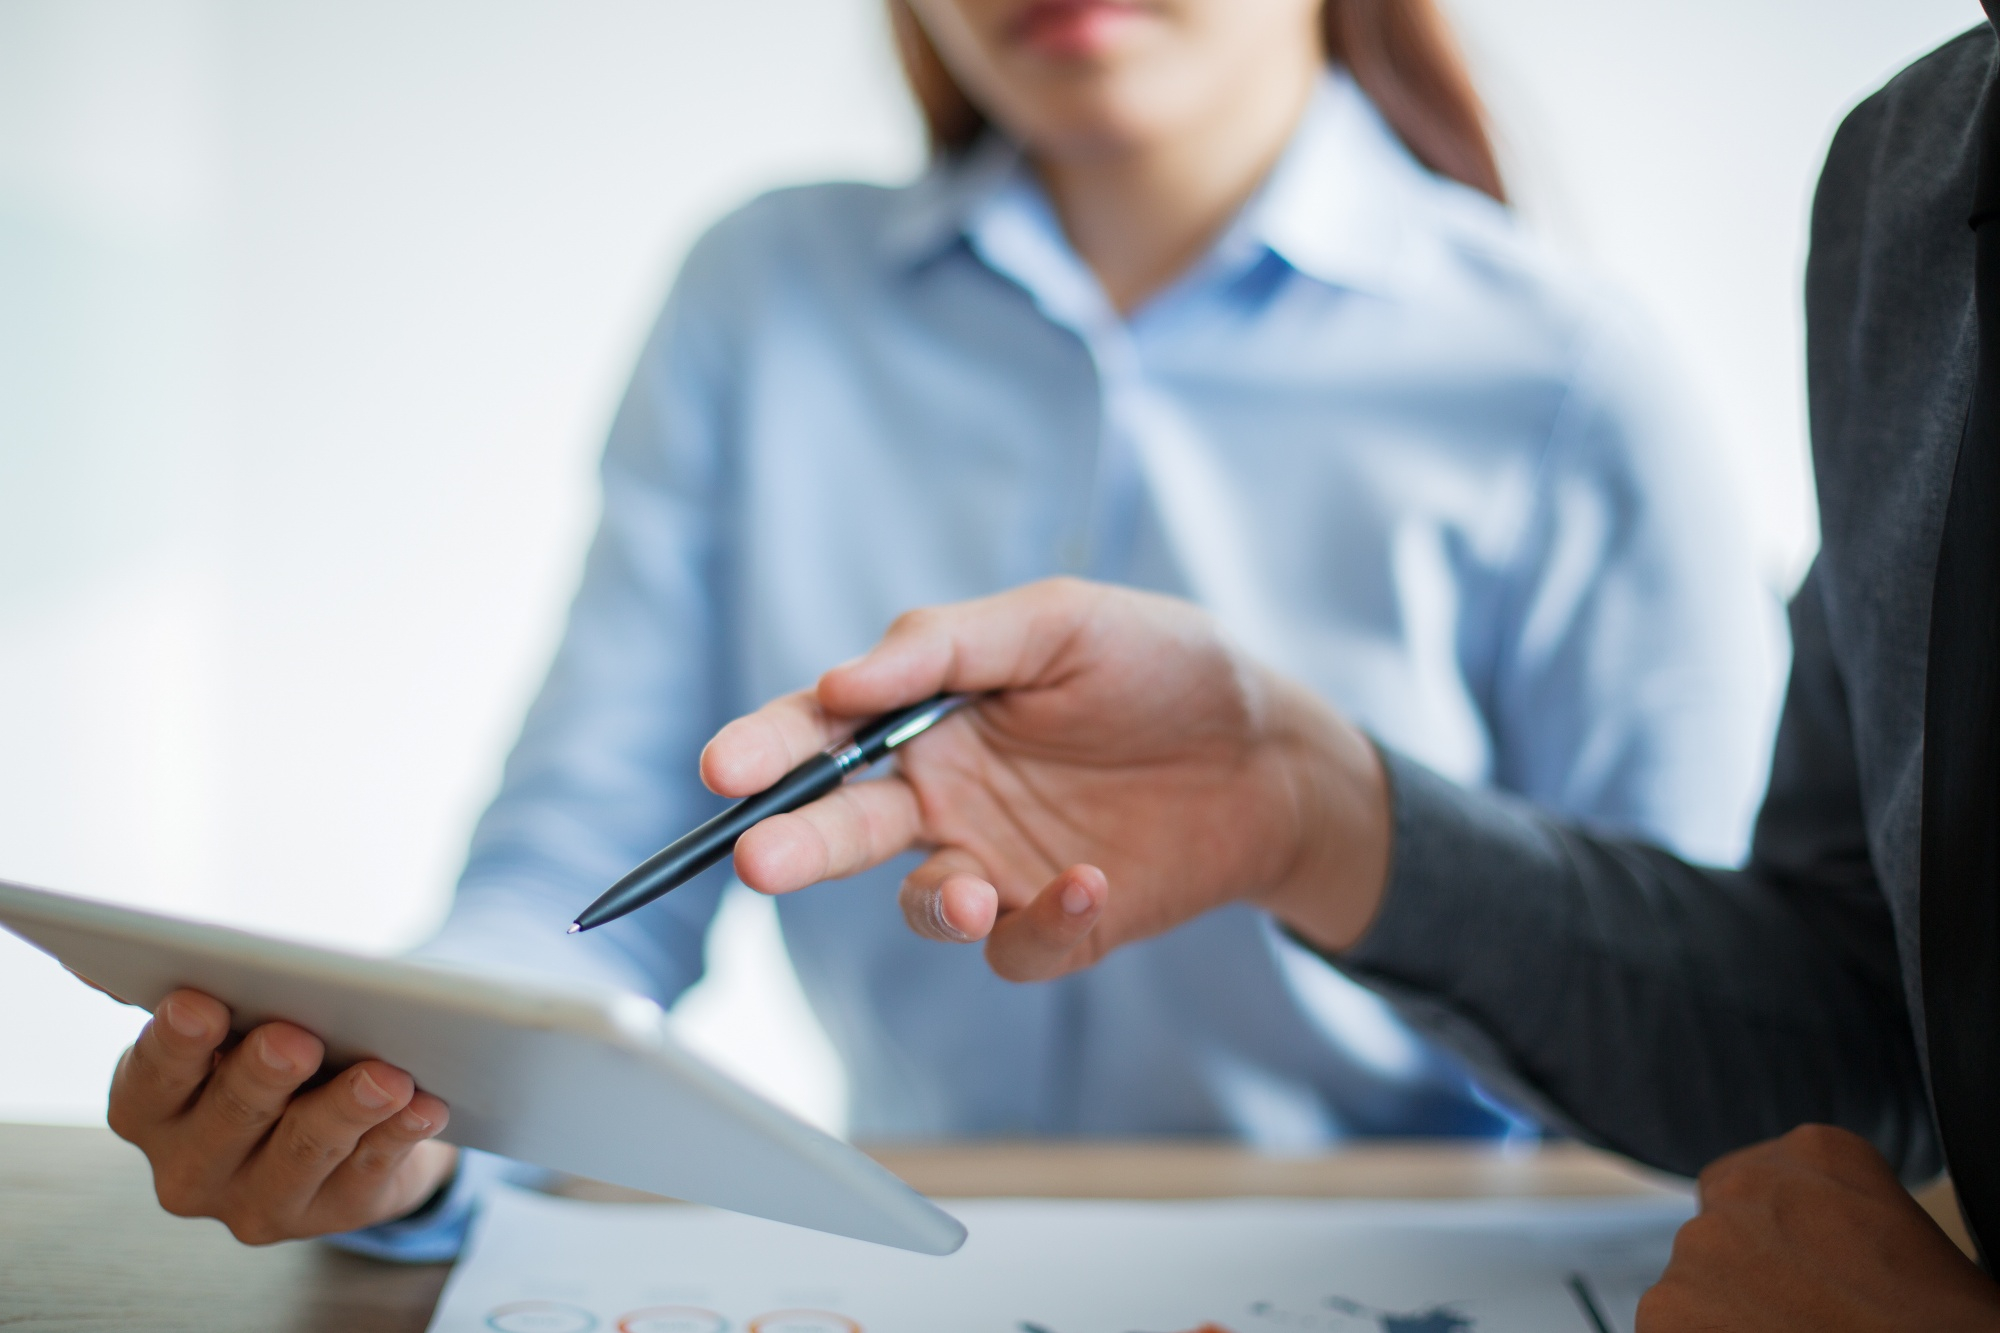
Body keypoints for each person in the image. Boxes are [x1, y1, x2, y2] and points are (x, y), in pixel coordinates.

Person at [98, 0, 1783, 1258]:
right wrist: (416, 1111)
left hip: (1417, 1267)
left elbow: (1702, 1023)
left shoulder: (1565, 377)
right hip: (909, 1254)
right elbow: (583, 875)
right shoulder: (767, 298)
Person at [677, 13, 2000, 1327]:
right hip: (927, 1264)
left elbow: (1772, 1132)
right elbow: (1833, 1010)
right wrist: (1306, 796)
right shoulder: (1909, 180)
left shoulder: (1567, 369)